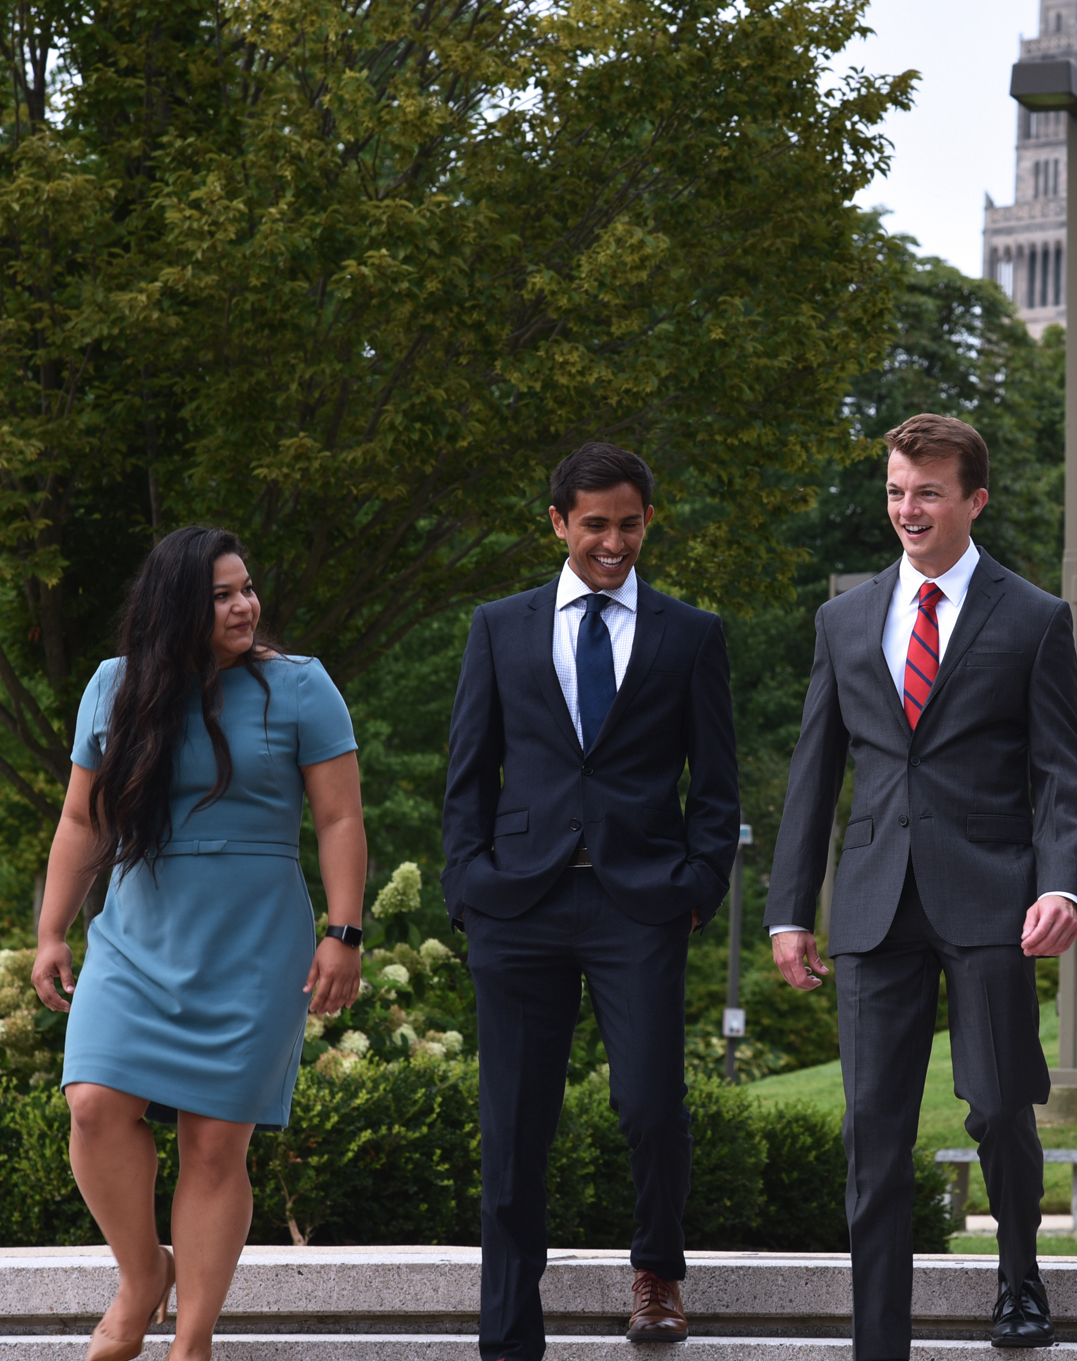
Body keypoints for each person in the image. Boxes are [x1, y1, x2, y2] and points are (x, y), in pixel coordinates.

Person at [764, 413, 1077, 1359]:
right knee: (873, 1127)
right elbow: (814, 773)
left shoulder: (1032, 617)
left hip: (993, 896)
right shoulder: (843, 618)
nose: (909, 509)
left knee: (996, 1103)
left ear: (973, 499)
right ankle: (879, 1338)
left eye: (930, 492)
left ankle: (1020, 1274)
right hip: (871, 902)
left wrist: (1062, 885)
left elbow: (1063, 775)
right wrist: (792, 908)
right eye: (898, 491)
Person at [31, 526, 367, 1361]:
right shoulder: (114, 687)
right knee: (94, 1104)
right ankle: (143, 1275)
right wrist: (50, 930)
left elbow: (339, 818)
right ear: (177, 604)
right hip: (138, 930)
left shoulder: (302, 687)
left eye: (247, 588)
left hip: (256, 938)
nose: (245, 604)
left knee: (215, 1144)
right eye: (222, 594)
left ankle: (192, 1341)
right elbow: (82, 818)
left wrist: (344, 930)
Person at [442, 442, 739, 1358]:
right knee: (514, 1126)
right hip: (519, 906)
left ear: (649, 520)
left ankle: (657, 1270)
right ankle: (508, 1329)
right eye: (596, 523)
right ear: (559, 522)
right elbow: (467, 772)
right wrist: (471, 891)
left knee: (651, 1105)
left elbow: (717, 786)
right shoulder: (500, 624)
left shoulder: (691, 633)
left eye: (631, 522)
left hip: (639, 904)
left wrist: (695, 889)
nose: (614, 540)